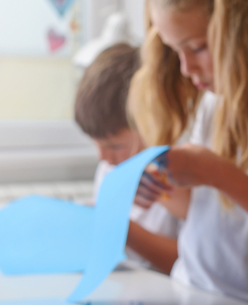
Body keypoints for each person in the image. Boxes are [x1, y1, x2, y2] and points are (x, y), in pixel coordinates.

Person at [125, 0, 248, 305]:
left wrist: (219, 175)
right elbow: (211, 213)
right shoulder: (212, 101)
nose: (185, 68)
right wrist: (163, 189)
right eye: (175, 50)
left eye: (198, 47)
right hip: (193, 289)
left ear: (241, 35)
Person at [74, 43, 180, 274]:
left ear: (152, 123)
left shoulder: (178, 180)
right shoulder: (109, 168)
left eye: (115, 145)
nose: (103, 157)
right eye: (97, 144)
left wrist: (122, 229)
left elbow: (187, 265)